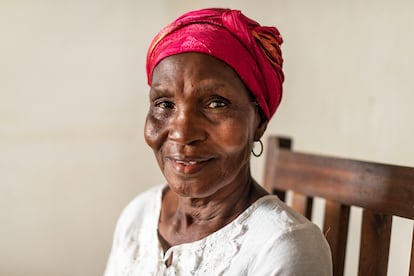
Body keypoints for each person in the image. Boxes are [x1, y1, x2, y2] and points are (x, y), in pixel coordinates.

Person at [104, 7, 332, 275]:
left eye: (215, 103)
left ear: (259, 122)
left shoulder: (283, 246)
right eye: (164, 104)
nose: (182, 133)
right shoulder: (139, 215)